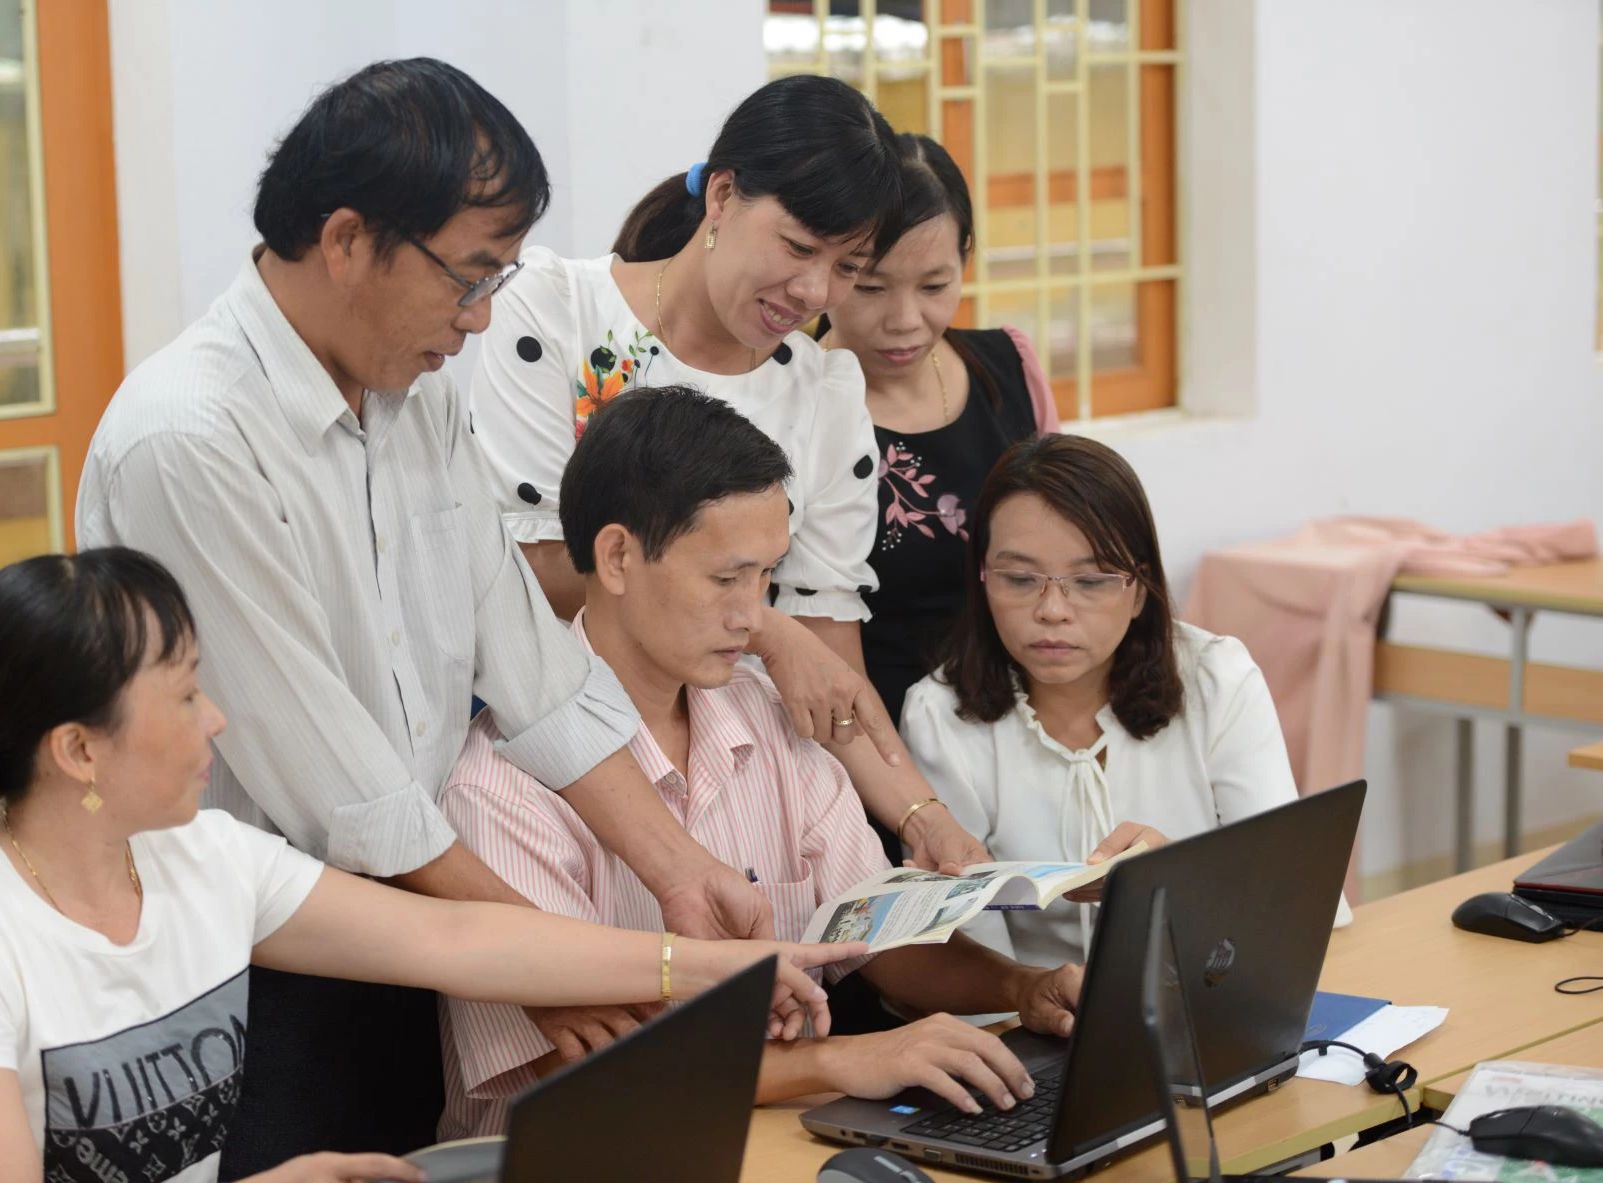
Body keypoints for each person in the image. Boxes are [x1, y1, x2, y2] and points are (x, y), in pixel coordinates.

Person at [75, 59, 772, 1172]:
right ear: (347, 239)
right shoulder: (192, 440)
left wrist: (678, 865)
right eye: (468, 275)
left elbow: (528, 663)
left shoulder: (419, 393)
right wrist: (544, 958)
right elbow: (340, 791)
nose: (484, 317)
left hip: (422, 926)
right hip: (250, 964)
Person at [0, 549, 858, 1183]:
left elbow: (457, 938)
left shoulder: (204, 857)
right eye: (184, 694)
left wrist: (705, 965)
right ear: (79, 749)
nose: (216, 719)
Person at [437, 388, 1084, 1138]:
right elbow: (588, 1071)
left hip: (784, 1141)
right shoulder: (499, 788)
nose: (754, 614)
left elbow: (877, 936)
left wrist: (1022, 986)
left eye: (768, 576)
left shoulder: (767, 714)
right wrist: (847, 1059)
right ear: (617, 556)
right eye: (726, 578)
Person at [466, 72, 996, 878]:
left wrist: (922, 816)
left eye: (848, 266)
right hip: (554, 770)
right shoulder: (554, 314)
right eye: (798, 247)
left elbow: (826, 664)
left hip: (746, 781)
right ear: (721, 195)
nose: (814, 291)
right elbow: (531, 583)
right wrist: (769, 629)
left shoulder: (822, 392)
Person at [900, 434, 1298, 969]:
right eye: (1020, 579)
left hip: (1207, 988)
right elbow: (968, 949)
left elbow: (1290, 894)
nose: (1053, 610)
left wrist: (1178, 882)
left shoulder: (1217, 679)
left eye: (1090, 581)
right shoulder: (938, 716)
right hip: (1028, 1024)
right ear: (982, 579)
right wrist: (1033, 1003)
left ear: (1138, 590)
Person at [819, 134, 1059, 736]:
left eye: (933, 286)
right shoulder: (793, 403)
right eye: (870, 287)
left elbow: (1069, 544)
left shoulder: (1009, 369)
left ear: (966, 257)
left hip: (1021, 726)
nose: (904, 321)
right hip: (864, 740)